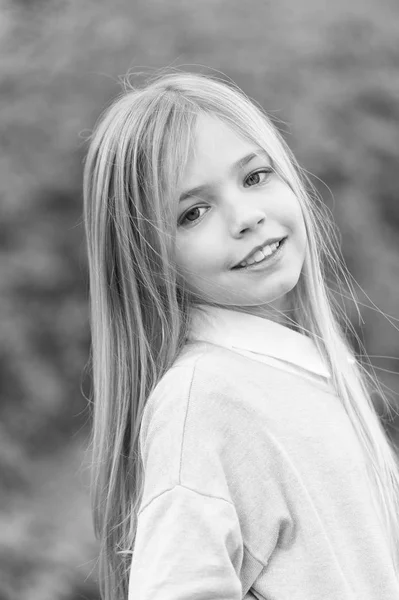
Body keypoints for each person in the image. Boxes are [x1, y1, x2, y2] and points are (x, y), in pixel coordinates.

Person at [82, 69, 399, 600]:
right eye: (194, 212)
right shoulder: (205, 401)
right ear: (148, 261)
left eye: (254, 177)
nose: (246, 217)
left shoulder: (298, 371)